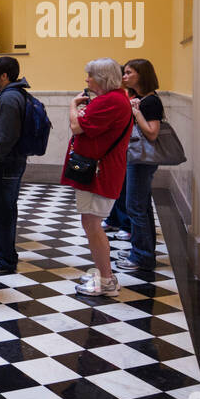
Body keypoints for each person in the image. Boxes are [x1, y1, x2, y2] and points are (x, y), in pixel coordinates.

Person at [62, 58, 133, 298]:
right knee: (90, 223)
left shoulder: (111, 100)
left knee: (92, 225)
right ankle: (104, 274)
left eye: (90, 75)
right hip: (101, 170)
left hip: (100, 173)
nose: (86, 79)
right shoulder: (113, 99)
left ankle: (106, 279)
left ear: (102, 78)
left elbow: (77, 127)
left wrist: (73, 106)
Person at [111, 59, 164, 275]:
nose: (124, 77)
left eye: (129, 73)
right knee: (141, 205)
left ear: (141, 75)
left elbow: (152, 133)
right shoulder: (139, 98)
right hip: (137, 158)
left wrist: (136, 112)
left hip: (142, 160)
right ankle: (144, 252)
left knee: (135, 206)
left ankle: (142, 257)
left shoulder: (150, 102)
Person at [0, 56, 30, 273]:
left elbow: (7, 135)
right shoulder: (16, 94)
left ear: (4, 76)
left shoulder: (9, 98)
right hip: (9, 161)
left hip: (4, 163)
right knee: (3, 209)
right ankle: (0, 251)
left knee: (1, 211)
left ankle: (5, 259)